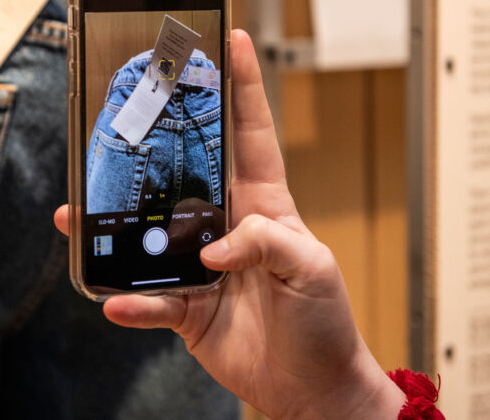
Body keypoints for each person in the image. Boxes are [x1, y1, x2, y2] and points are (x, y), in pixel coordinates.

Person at [55, 29, 443, 420]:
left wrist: (340, 393)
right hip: (189, 105)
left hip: (143, 103)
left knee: (114, 285)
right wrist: (342, 395)